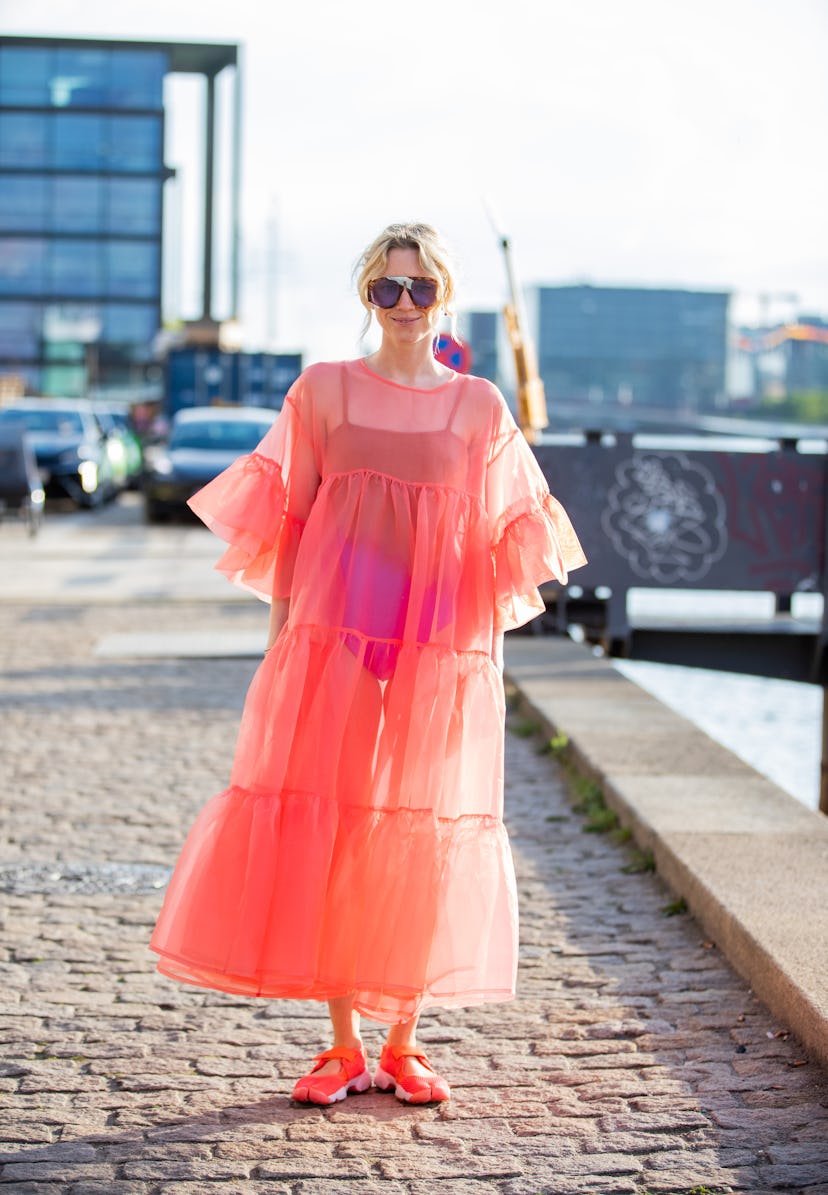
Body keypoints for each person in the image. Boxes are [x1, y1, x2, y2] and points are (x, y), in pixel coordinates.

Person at [150, 222, 586, 1106]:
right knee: (337, 824)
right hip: (335, 637)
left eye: (420, 288)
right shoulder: (324, 393)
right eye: (386, 289)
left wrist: (483, 667)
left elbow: (504, 545)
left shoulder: (478, 408)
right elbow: (292, 528)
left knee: (420, 827)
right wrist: (281, 644)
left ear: (443, 297)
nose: (403, 305)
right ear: (365, 296)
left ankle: (406, 1041)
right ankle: (342, 1046)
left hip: (440, 649)